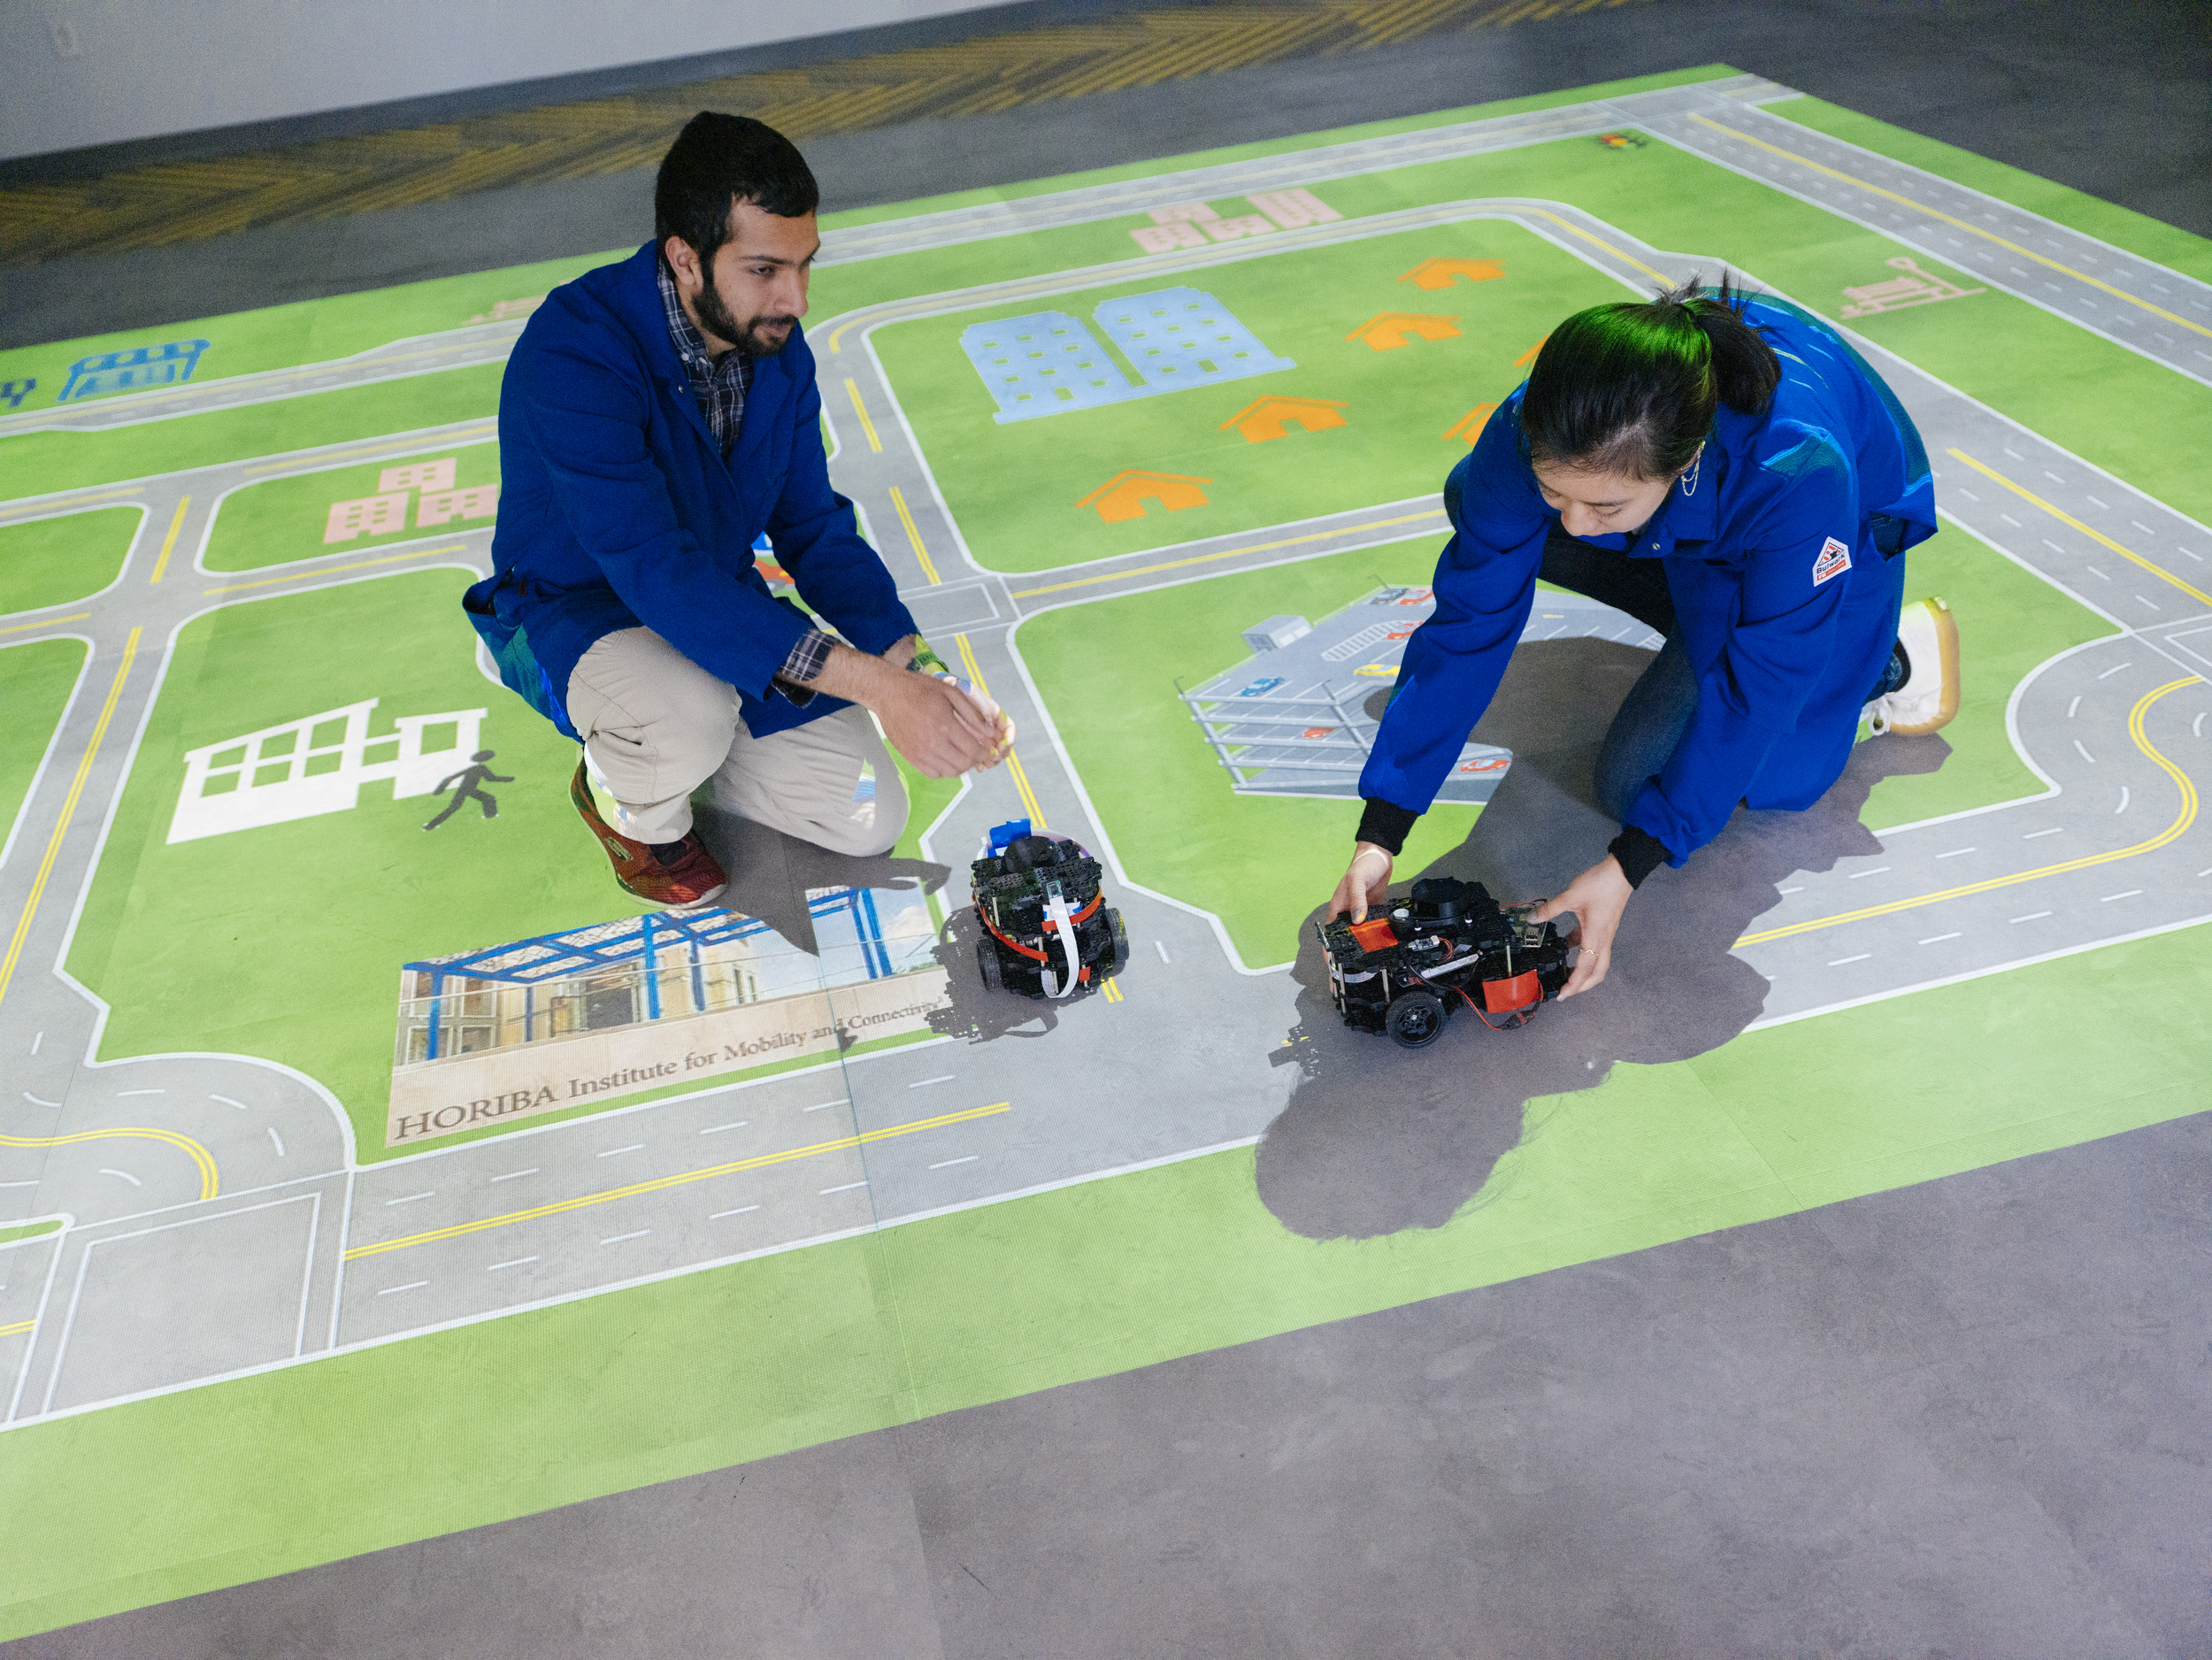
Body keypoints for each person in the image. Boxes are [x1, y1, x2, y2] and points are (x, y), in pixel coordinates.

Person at [1326, 279, 1959, 996]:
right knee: (1475, 495)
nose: (1572, 525)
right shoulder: (1538, 427)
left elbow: (1766, 682)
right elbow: (1469, 622)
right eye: (1554, 492)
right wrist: (1383, 828)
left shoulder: (1796, 469)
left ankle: (1882, 659)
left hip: (1823, 533)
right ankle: (1699, 626)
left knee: (1706, 783)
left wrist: (1630, 864)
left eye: (1603, 506)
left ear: (1685, 459)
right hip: (1686, 520)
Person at [465, 111, 1010, 910]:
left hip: (716, 599)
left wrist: (916, 668)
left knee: (866, 817)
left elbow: (814, 529)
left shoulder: (773, 347)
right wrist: (879, 690)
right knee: (683, 716)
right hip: (576, 609)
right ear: (685, 257)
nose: (797, 299)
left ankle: (685, 743)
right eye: (764, 270)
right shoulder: (573, 353)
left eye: (804, 265)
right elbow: (655, 571)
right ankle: (627, 799)